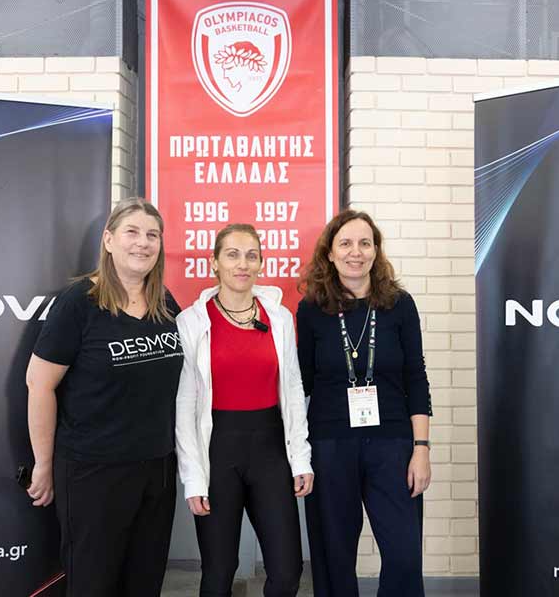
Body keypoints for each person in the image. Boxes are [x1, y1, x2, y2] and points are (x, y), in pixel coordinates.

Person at [25, 198, 183, 596]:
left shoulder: (165, 304)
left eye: (152, 235)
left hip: (156, 469)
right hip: (93, 471)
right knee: (93, 584)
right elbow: (39, 384)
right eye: (132, 232)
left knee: (144, 583)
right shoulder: (79, 303)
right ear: (109, 240)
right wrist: (43, 463)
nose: (143, 242)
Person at [296, 209, 433, 597]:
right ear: (330, 253)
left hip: (393, 443)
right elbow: (301, 381)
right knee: (334, 556)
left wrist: (421, 449)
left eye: (364, 243)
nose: (355, 252)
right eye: (345, 243)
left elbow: (416, 377)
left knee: (404, 554)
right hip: (329, 443)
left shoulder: (400, 304)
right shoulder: (311, 309)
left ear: (376, 250)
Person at [175, 223, 314, 597]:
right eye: (232, 255)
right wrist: (193, 477)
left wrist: (300, 457)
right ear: (214, 262)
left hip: (270, 449)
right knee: (219, 572)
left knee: (286, 571)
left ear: (260, 263)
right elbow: (185, 405)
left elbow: (293, 388)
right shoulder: (192, 322)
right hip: (218, 451)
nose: (242, 264)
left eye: (252, 256)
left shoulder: (279, 318)